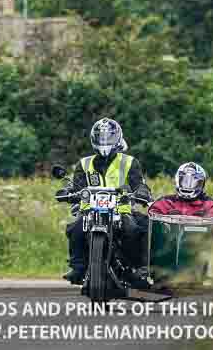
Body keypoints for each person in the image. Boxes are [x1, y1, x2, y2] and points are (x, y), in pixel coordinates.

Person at [55, 118, 153, 285]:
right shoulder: (84, 164)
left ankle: (137, 269)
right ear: (94, 139)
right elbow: (76, 185)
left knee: (136, 228)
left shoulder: (129, 162)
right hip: (89, 210)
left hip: (121, 210)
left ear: (117, 138)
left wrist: (142, 193)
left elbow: (139, 184)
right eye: (101, 137)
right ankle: (78, 267)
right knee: (75, 227)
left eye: (109, 137)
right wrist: (67, 192)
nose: (105, 141)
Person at [148, 162, 213, 218]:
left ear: (201, 184)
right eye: (185, 181)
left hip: (198, 237)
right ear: (177, 180)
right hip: (169, 238)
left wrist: (198, 219)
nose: (188, 185)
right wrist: (168, 219)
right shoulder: (166, 202)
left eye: (193, 182)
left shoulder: (209, 204)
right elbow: (153, 215)